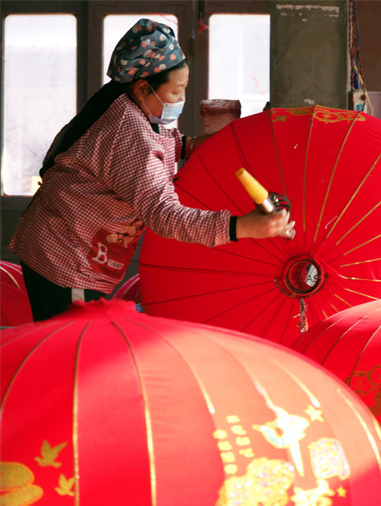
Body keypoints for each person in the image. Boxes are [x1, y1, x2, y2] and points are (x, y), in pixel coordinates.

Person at [10, 19, 295, 322]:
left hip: (58, 241)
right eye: (176, 92)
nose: (182, 101)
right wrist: (241, 227)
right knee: (75, 350)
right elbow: (164, 215)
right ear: (144, 87)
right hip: (67, 259)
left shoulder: (120, 100)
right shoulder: (130, 132)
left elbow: (135, 153)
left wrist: (194, 144)